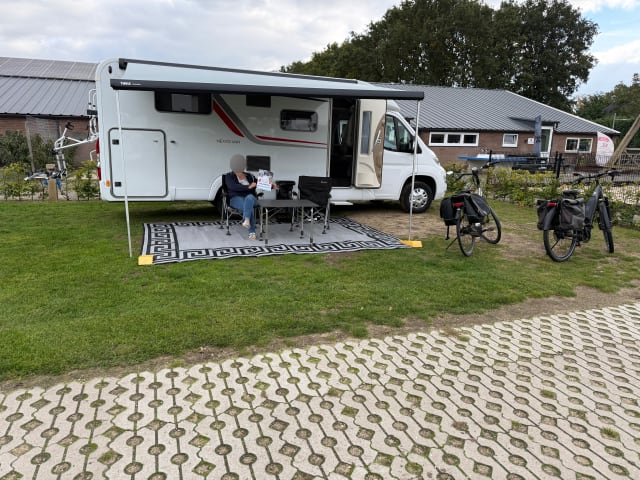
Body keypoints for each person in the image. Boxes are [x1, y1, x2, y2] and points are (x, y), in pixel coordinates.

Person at [225, 154, 259, 240]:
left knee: (249, 198)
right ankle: (251, 232)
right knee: (248, 206)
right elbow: (233, 187)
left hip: (251, 198)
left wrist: (271, 185)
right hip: (236, 198)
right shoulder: (229, 176)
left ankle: (246, 219)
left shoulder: (250, 176)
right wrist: (248, 187)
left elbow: (260, 183)